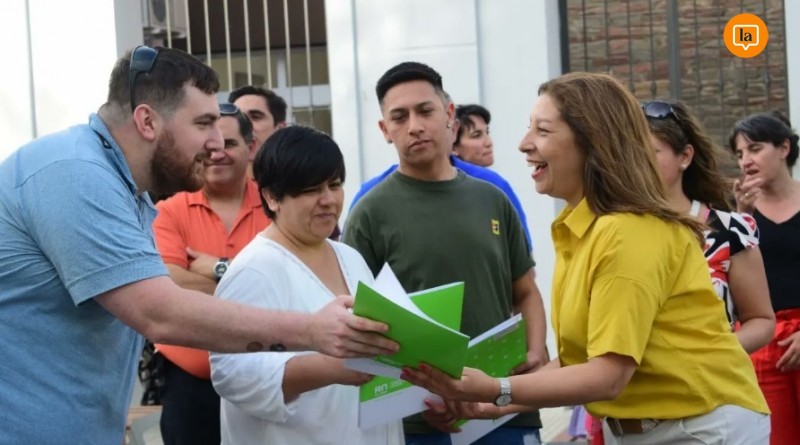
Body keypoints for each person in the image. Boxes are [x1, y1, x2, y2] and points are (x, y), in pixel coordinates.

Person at [0, 46, 395, 444]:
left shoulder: (126, 191)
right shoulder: (74, 173)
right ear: (147, 121)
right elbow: (159, 313)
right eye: (204, 123)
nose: (217, 143)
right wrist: (313, 331)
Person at [401, 72, 770, 444]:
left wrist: (497, 389)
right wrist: (492, 403)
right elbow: (580, 361)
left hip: (701, 428)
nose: (524, 144)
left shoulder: (627, 231)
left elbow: (608, 374)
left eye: (543, 131)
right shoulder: (580, 227)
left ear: (592, 141)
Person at [344, 61, 547, 445]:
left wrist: (536, 352)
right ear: (384, 130)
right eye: (399, 117)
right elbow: (357, 320)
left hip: (504, 411)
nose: (414, 126)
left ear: (449, 114)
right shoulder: (368, 213)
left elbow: (525, 292)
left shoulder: (493, 198)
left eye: (425, 111)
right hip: (415, 423)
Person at [210, 125, 404, 445]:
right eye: (311, 190)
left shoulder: (349, 257)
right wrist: (330, 367)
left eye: (335, 185)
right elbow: (231, 373)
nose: (328, 200)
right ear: (272, 197)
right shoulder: (255, 269)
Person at [152, 103, 269, 444]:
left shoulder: (277, 205)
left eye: (229, 144)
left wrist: (218, 267)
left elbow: (289, 281)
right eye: (209, 146)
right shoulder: (168, 211)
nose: (217, 154)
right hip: (189, 388)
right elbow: (167, 284)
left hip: (268, 380)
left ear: (251, 148)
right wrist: (253, 284)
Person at [644, 99, 774, 353]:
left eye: (650, 152)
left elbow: (761, 320)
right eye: (631, 153)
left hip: (710, 376)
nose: (639, 162)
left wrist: (715, 354)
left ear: (685, 156)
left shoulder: (730, 231)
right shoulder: (614, 229)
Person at [349, 98, 533, 253]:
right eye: (476, 135)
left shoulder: (495, 187)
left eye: (426, 113)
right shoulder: (370, 196)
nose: (416, 128)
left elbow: (523, 263)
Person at [729, 111, 800, 445]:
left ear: (784, 148)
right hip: (762, 340)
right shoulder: (737, 213)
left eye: (755, 149)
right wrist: (742, 218)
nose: (746, 160)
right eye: (740, 153)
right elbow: (727, 278)